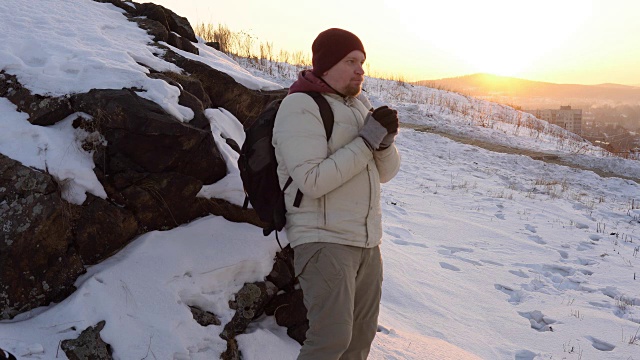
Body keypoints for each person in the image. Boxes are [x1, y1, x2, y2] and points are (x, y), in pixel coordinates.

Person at [272, 28, 401, 360]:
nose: (361, 69)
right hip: (323, 240)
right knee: (331, 340)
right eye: (351, 61)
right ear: (326, 66)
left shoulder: (361, 106)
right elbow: (312, 180)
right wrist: (367, 141)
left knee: (359, 341)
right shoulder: (300, 106)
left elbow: (385, 173)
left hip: (367, 243)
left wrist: (384, 143)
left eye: (362, 62)